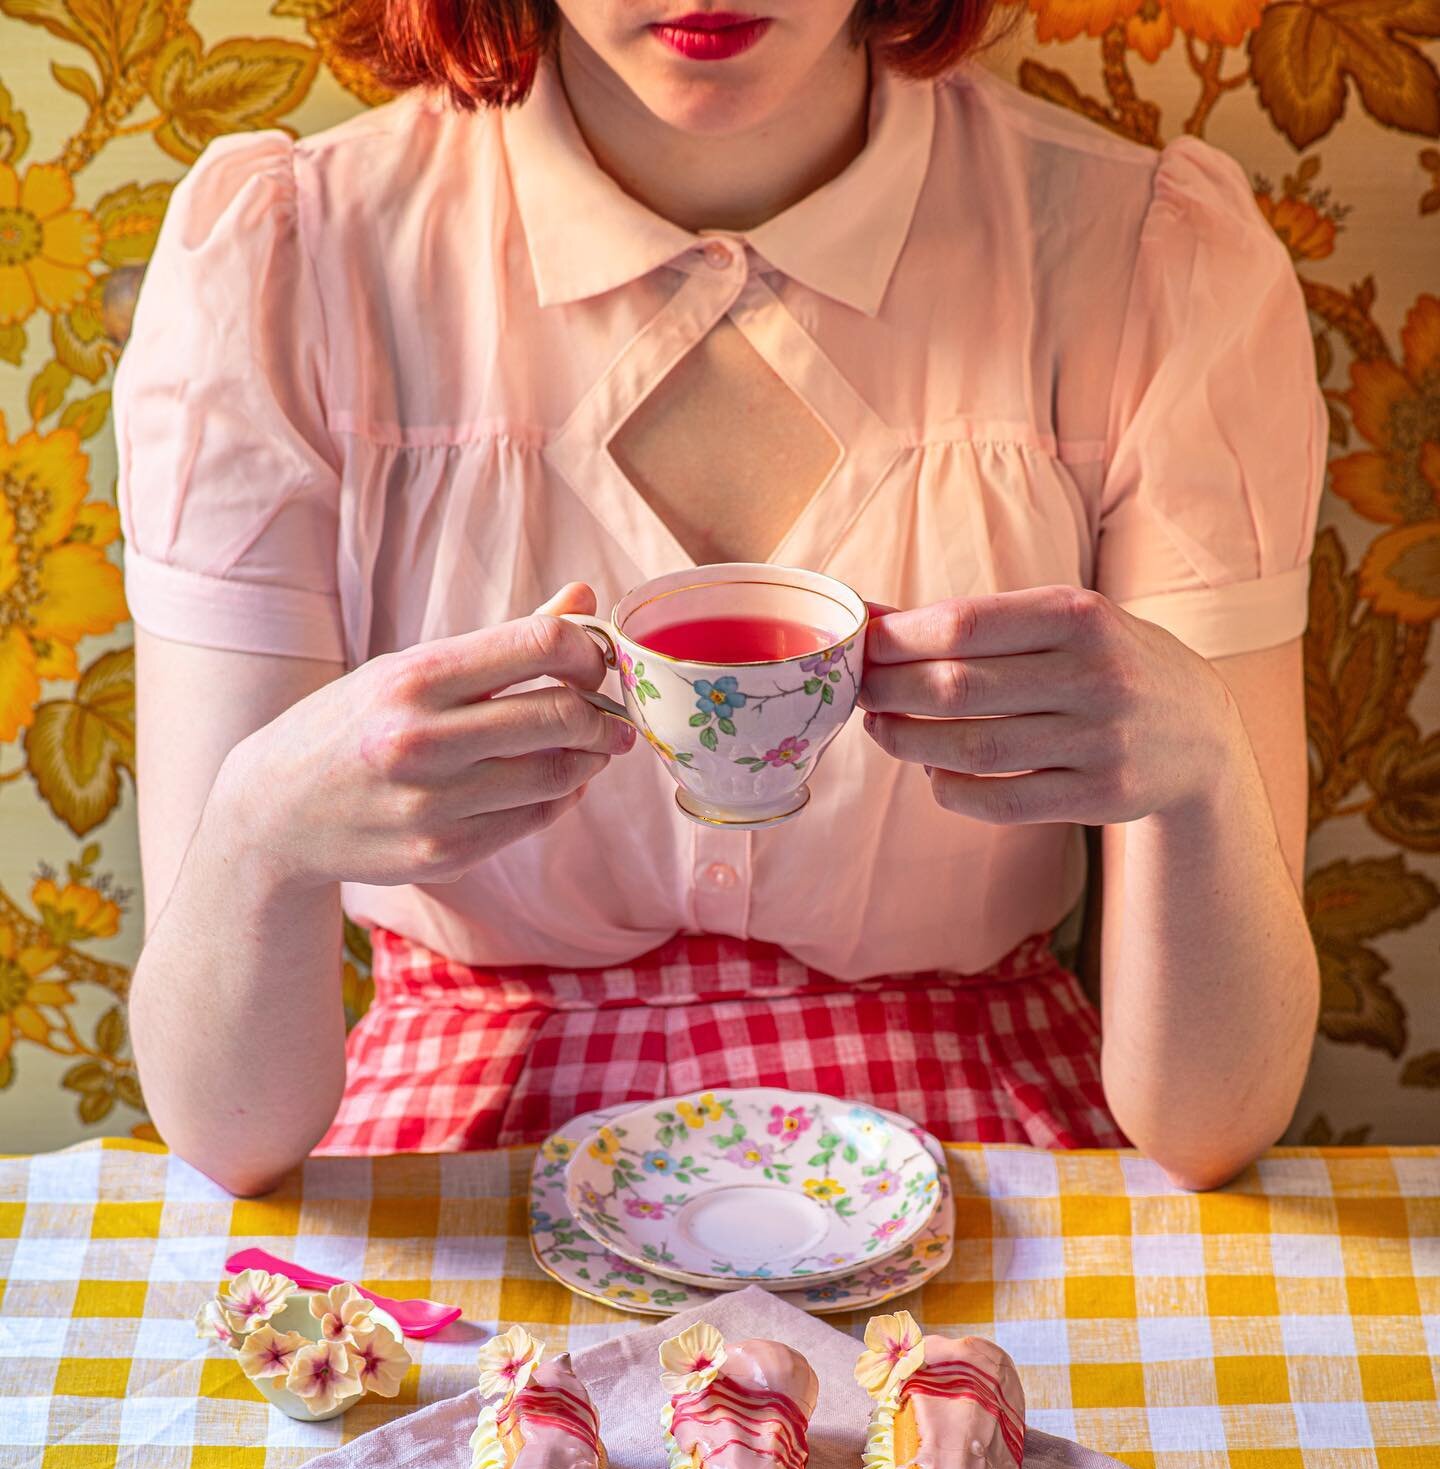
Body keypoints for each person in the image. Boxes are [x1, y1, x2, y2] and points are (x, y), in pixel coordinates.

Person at [113, 0, 1326, 1198]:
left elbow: (1212, 1127)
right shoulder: (285, 262)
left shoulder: (1157, 262)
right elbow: (229, 1132)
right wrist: (261, 832)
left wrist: (1206, 771)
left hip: (988, 1162)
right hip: (456, 1147)